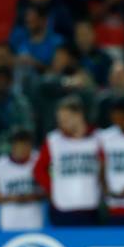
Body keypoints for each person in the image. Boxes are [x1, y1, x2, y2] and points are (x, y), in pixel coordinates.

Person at [34, 96, 102, 226]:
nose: (61, 124)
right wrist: (53, 188)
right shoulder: (53, 140)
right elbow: (38, 170)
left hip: (91, 206)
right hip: (62, 208)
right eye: (59, 120)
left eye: (65, 119)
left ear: (79, 116)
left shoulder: (98, 138)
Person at [0, 130, 45, 231]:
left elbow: (47, 191)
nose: (23, 150)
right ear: (13, 147)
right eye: (20, 146)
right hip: (9, 220)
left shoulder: (38, 161)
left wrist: (30, 196)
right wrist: (14, 198)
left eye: (26, 146)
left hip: (33, 220)